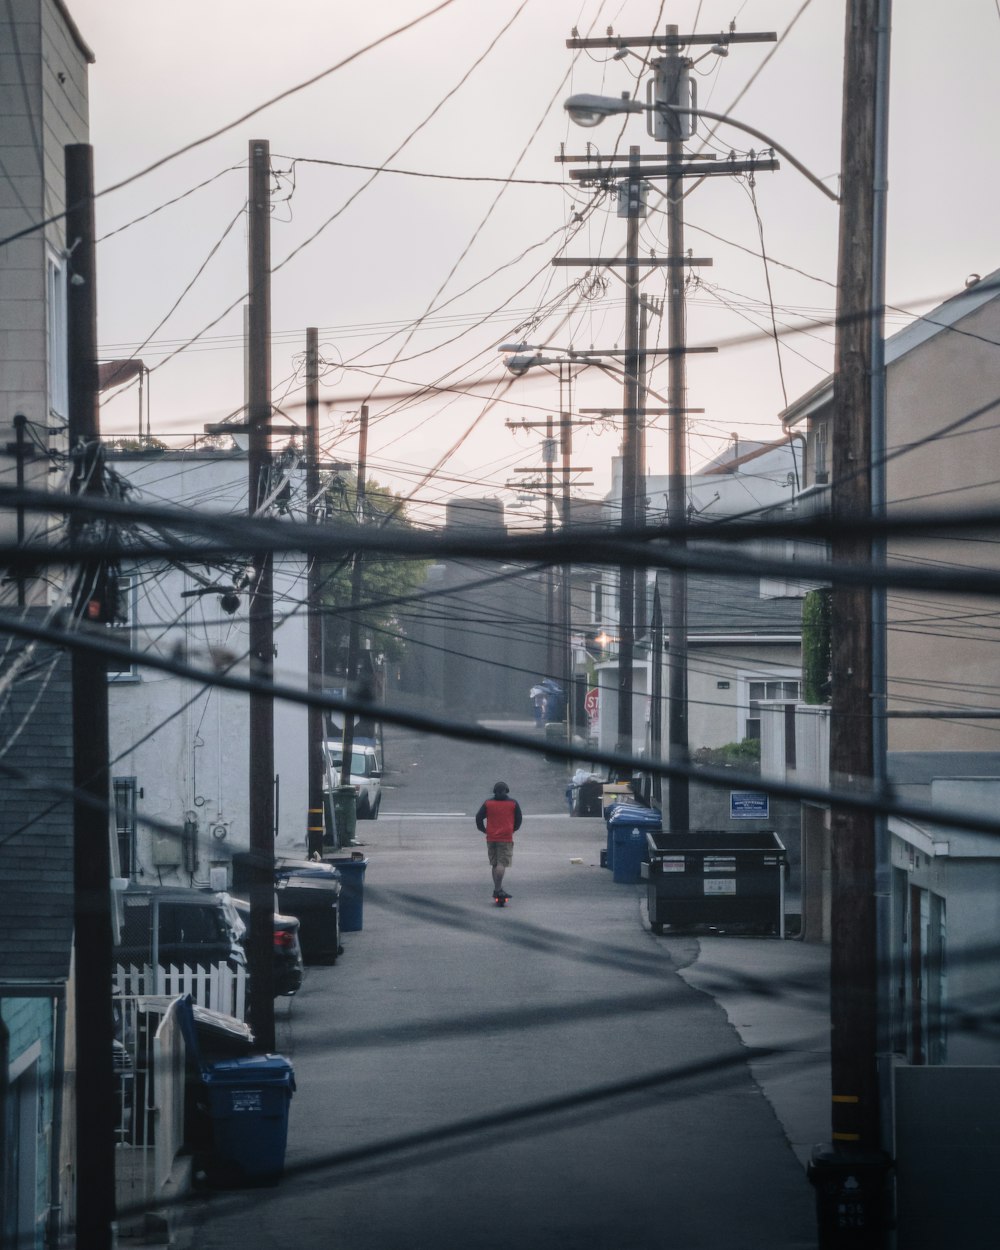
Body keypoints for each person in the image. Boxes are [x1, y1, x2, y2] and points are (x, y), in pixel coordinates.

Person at [475, 780, 522, 899]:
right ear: (506, 791)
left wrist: (483, 829)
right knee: (502, 864)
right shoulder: (513, 804)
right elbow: (519, 819)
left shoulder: (488, 803)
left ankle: (497, 888)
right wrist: (513, 829)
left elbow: (478, 817)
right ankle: (497, 889)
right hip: (505, 838)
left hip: (491, 838)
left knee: (494, 864)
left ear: (494, 791)